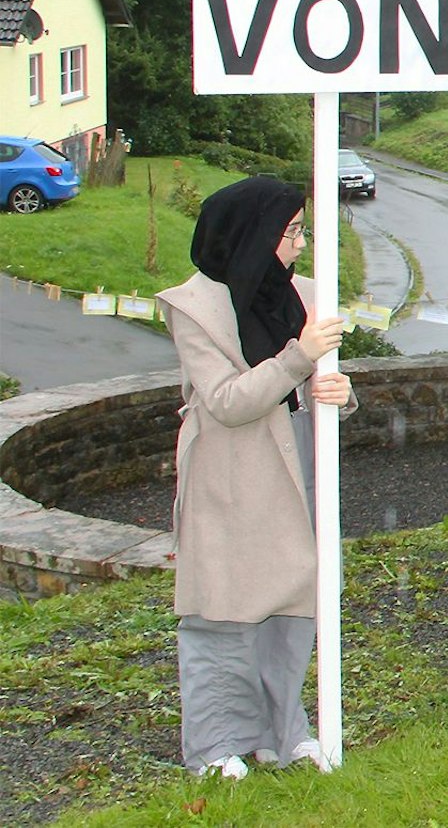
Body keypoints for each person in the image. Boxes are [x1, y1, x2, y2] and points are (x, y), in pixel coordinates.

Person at [157, 177, 352, 778]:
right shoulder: (195, 307)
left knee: (294, 605)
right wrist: (298, 356)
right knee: (224, 612)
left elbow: (317, 384)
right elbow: (226, 400)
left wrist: (341, 393)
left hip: (296, 462)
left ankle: (282, 730)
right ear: (253, 237)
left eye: (299, 230)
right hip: (233, 473)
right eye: (289, 232)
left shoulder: (304, 295)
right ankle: (216, 745)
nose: (298, 244)